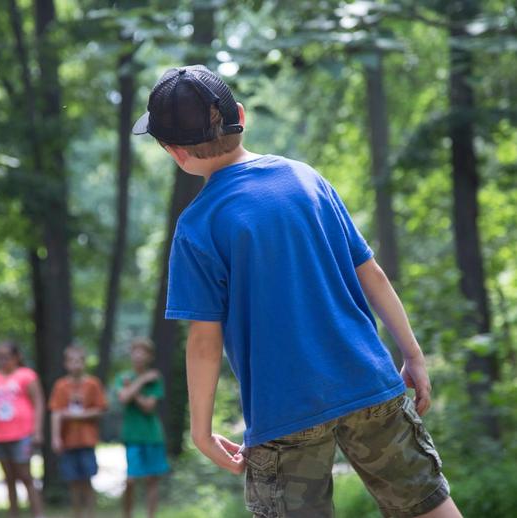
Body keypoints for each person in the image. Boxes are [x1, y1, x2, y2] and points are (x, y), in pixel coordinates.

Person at [132, 65, 463, 518]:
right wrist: (413, 355)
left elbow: (205, 342)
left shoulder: (198, 226)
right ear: (241, 117)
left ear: (174, 153)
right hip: (367, 381)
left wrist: (202, 432)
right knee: (428, 507)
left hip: (282, 411)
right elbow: (373, 276)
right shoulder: (307, 179)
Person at [0, 341, 45, 518]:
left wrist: (37, 431)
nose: (2, 361)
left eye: (6, 357)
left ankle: (37, 513)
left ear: (16, 357)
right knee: (8, 477)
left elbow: (38, 403)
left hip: (22, 434)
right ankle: (13, 513)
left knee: (25, 475)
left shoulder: (27, 376)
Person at [49, 345, 107, 518]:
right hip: (68, 441)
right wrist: (55, 438)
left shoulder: (93, 384)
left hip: (87, 440)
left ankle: (90, 514)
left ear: (84, 362)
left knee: (87, 479)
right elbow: (56, 413)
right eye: (72, 361)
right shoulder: (61, 386)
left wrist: (79, 416)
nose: (75, 365)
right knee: (73, 482)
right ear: (66, 364)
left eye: (79, 361)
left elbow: (100, 409)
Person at [114, 338, 169, 518]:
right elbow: (123, 399)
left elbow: (148, 407)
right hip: (132, 435)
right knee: (130, 480)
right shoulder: (123, 377)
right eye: (135, 351)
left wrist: (133, 389)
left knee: (152, 479)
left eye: (143, 352)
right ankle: (127, 514)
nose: (138, 355)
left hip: (153, 435)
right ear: (131, 354)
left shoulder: (155, 379)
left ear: (150, 356)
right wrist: (142, 381)